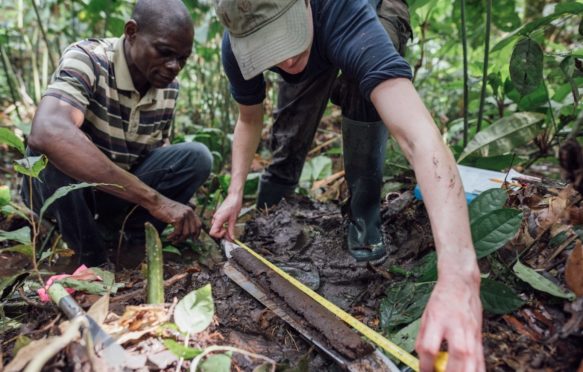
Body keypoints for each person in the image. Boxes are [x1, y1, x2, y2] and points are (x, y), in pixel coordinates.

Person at [209, 0, 484, 370]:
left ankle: (364, 215)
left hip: (376, 8)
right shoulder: (237, 39)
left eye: (283, 33)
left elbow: (418, 136)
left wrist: (458, 276)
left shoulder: (342, 11)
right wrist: (235, 191)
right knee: (289, 133)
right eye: (267, 45)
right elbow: (248, 117)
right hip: (316, 34)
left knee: (365, 92)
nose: (286, 59)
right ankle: (267, 221)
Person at [22, 0, 212, 268]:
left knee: (197, 157)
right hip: (68, 195)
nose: (174, 66)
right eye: (165, 52)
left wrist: (180, 204)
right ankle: (92, 259)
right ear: (132, 32)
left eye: (182, 58)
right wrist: (155, 200)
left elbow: (157, 152)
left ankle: (130, 243)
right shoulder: (89, 58)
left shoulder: (169, 87)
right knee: (56, 150)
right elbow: (47, 132)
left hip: (116, 193)